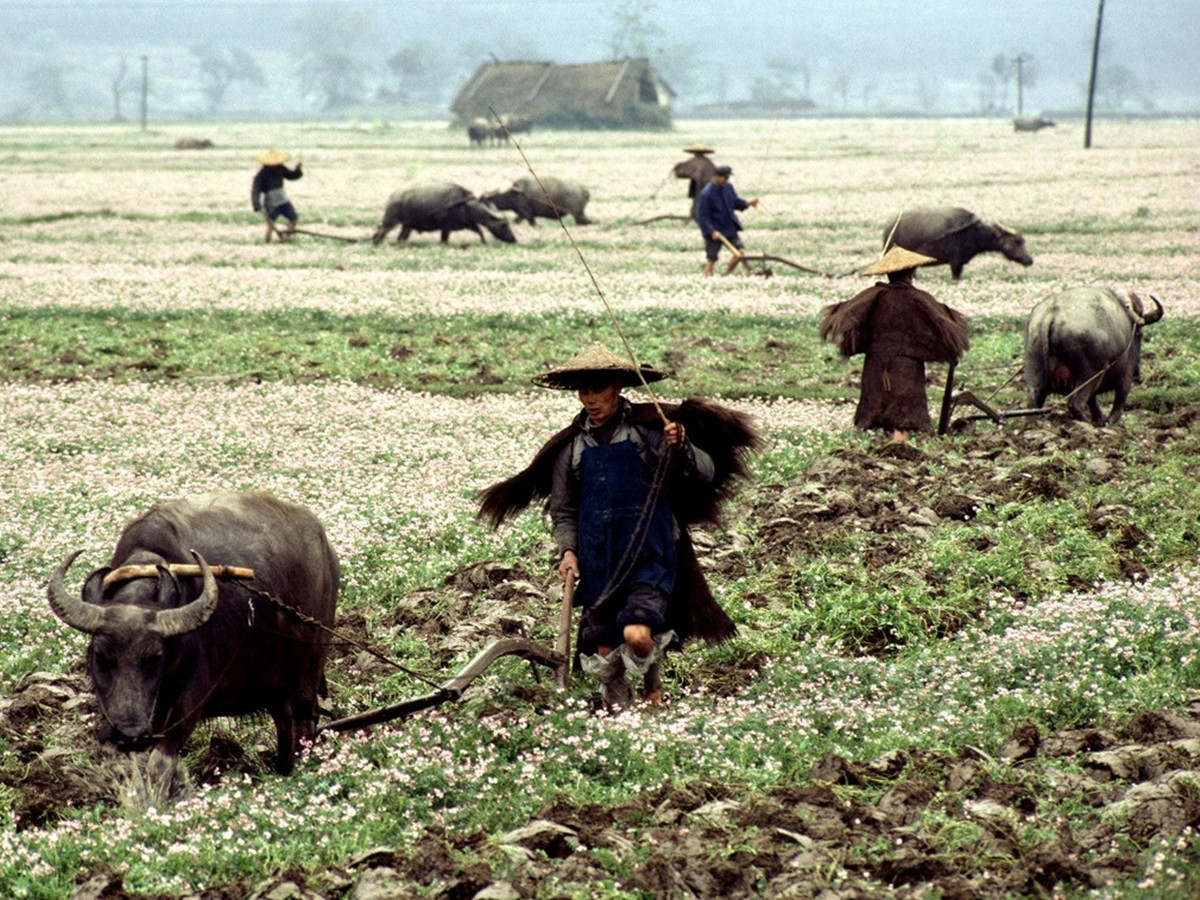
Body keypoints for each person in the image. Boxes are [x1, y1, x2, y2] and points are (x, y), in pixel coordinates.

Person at [477, 343, 759, 708]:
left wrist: (682, 446)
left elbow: (703, 473)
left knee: (638, 634)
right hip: (599, 560)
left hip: (649, 552)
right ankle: (619, 712)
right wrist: (568, 551)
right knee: (606, 645)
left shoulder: (649, 430)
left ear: (618, 388)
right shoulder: (572, 447)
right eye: (584, 391)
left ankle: (652, 681)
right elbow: (564, 510)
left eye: (598, 390)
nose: (590, 399)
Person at [818, 245, 969, 442]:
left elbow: (846, 315)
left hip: (876, 365)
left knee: (876, 411)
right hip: (906, 368)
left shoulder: (874, 295)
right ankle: (897, 449)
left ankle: (882, 450)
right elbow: (944, 323)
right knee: (902, 419)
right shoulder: (919, 299)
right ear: (911, 274)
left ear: (889, 274)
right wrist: (945, 350)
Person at [696, 165, 759, 277]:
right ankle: (708, 277)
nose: (727, 180)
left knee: (741, 253)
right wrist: (711, 231)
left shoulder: (728, 187)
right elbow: (702, 216)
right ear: (716, 177)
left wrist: (747, 203)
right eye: (725, 178)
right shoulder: (706, 194)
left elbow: (735, 202)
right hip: (715, 230)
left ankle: (726, 275)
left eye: (728, 178)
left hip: (729, 227)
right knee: (712, 258)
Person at [250, 149, 303, 243]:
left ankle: (286, 237)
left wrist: (298, 170)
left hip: (283, 199)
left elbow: (291, 176)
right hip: (271, 202)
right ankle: (267, 244)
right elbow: (255, 190)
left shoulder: (280, 168)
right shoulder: (261, 175)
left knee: (294, 218)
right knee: (271, 225)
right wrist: (256, 205)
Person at [671, 142, 717, 222]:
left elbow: (682, 172)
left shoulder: (695, 162)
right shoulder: (709, 162)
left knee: (699, 203)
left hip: (702, 187)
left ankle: (697, 216)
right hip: (709, 187)